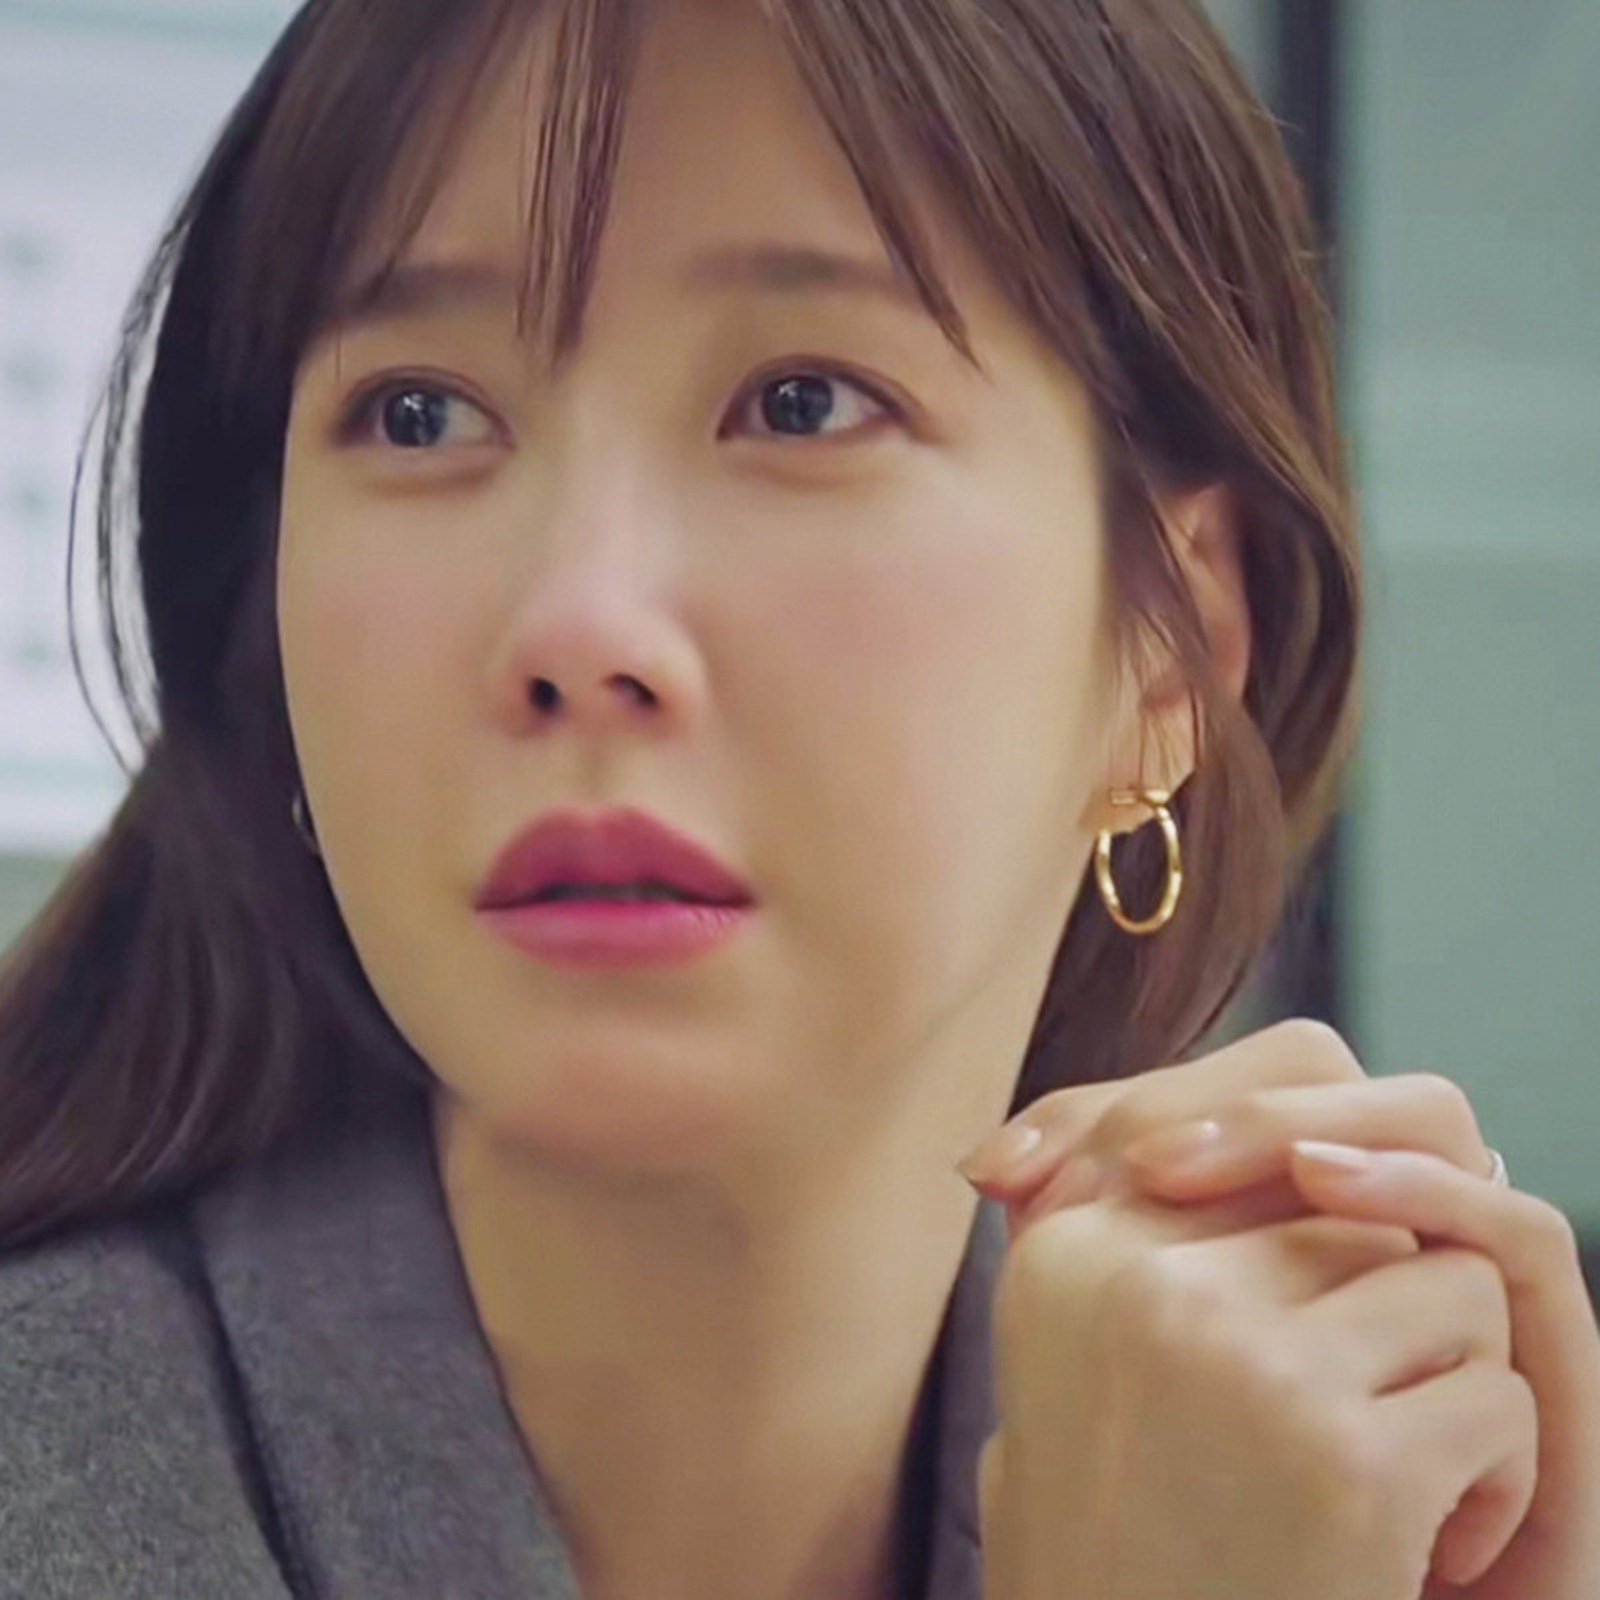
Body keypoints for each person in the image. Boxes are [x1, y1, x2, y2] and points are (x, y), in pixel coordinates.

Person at [1, 0, 1595, 1597]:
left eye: (804, 403)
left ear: (1174, 649)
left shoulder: (1305, 1491)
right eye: (421, 412)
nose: (580, 628)